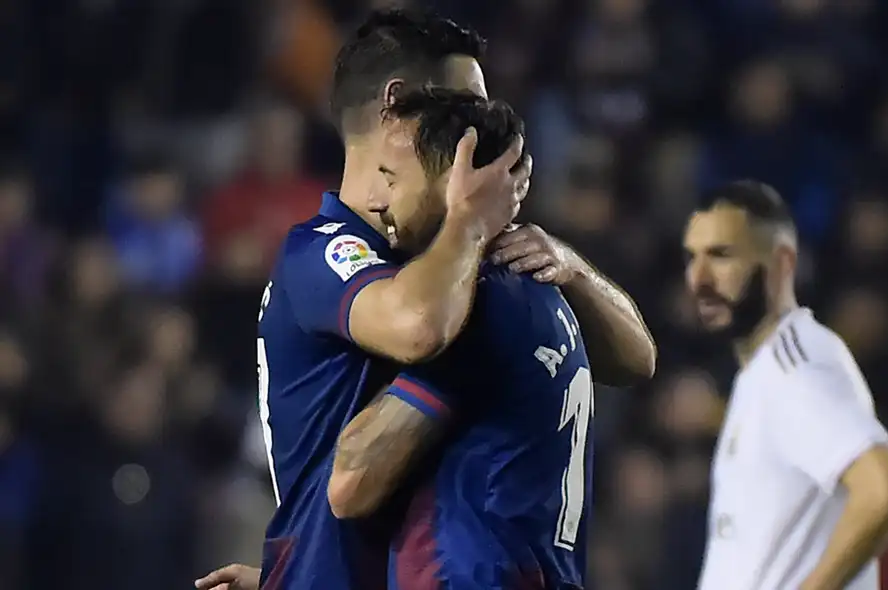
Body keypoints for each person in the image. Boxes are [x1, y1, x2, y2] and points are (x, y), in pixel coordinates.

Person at [195, 9, 656, 590]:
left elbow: (637, 359)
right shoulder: (324, 250)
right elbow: (418, 330)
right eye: (460, 107)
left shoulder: (461, 267)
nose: (473, 127)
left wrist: (571, 270)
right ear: (397, 108)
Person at [327, 88, 598, 589]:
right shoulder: (540, 293)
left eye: (391, 178)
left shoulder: (477, 307)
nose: (375, 199)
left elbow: (351, 483)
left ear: (455, 182)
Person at [684, 180, 888, 590]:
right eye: (693, 257)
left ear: (782, 264)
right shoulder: (760, 372)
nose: (700, 278)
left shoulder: (793, 366)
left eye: (721, 255)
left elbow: (886, 489)